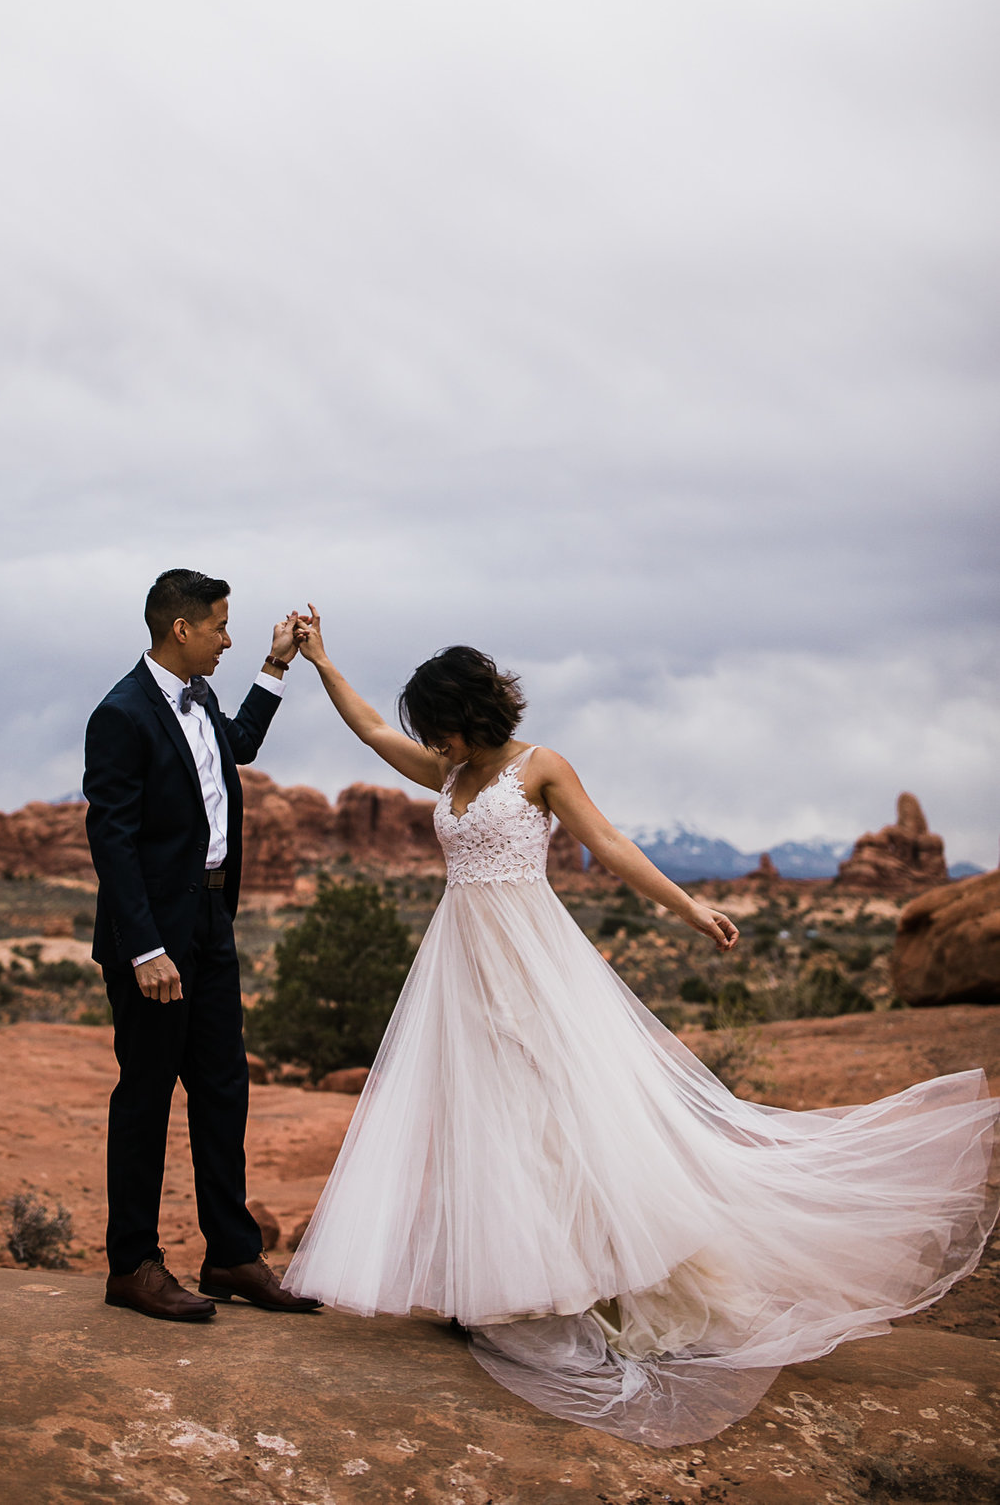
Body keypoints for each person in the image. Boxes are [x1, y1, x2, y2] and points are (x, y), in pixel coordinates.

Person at [283, 612, 1000, 1445]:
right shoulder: (448, 775)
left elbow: (610, 840)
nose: (430, 740)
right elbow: (371, 731)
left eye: (438, 724)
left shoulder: (537, 767)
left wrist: (690, 906)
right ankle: (504, 1279)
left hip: (531, 960)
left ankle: (588, 1283)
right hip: (460, 965)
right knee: (488, 1118)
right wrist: (322, 660)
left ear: (469, 712)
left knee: (557, 1114)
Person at [82, 568, 323, 1322]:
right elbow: (111, 839)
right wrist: (144, 948)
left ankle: (230, 1254)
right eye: (221, 625)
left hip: (213, 922)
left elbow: (240, 746)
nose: (228, 636)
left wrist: (277, 663)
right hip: (154, 939)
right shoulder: (120, 713)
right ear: (181, 629)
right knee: (147, 1096)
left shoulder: (205, 696)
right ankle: (133, 1265)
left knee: (223, 1088)